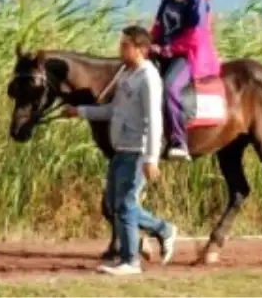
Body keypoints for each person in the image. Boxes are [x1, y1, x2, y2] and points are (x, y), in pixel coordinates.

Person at [62, 25, 178, 275]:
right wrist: (79, 112)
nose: (120, 49)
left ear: (141, 49)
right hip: (121, 149)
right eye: (121, 44)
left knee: (126, 205)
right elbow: (112, 110)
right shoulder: (126, 74)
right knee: (116, 204)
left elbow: (154, 120)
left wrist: (151, 158)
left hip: (137, 151)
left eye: (125, 45)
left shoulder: (148, 78)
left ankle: (130, 261)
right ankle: (162, 229)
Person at [149, 0, 222, 161]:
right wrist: (146, 44)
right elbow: (156, 28)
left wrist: (168, 50)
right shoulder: (167, 0)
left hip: (188, 56)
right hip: (165, 52)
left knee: (171, 86)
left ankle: (178, 141)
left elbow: (195, 37)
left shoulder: (196, 0)